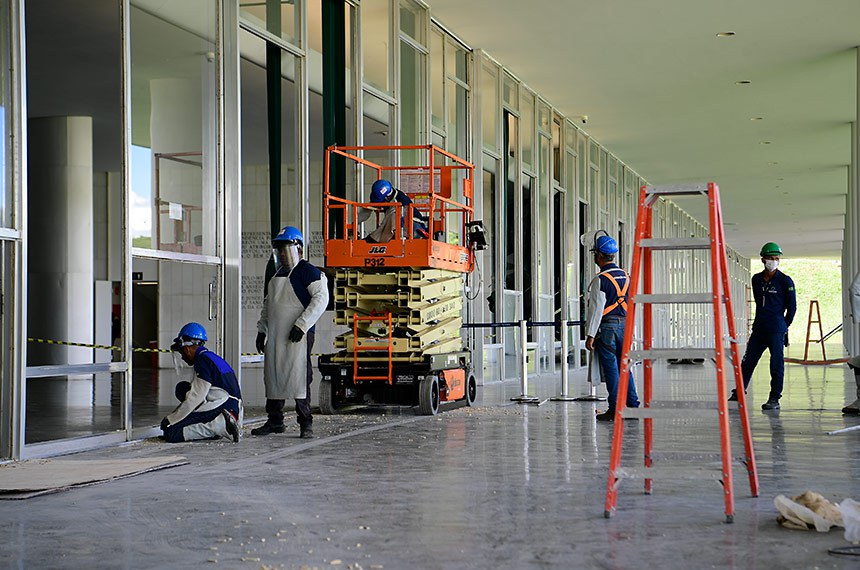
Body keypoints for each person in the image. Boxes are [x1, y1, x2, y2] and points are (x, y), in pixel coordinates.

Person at [254, 226, 329, 438]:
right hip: (276, 334)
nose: (282, 255)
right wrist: (262, 330)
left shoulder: (309, 272)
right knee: (273, 374)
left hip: (299, 335)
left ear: (299, 249)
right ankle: (275, 421)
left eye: (286, 250)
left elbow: (321, 299)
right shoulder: (276, 275)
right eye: (279, 251)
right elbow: (268, 306)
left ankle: (306, 423)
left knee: (299, 377)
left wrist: (302, 325)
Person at [730, 242, 797, 410]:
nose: (773, 261)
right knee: (748, 362)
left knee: (776, 364)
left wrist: (784, 325)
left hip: (776, 329)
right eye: (770, 258)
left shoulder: (785, 281)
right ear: (763, 259)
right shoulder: (757, 279)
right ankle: (738, 392)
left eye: (776, 258)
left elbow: (792, 307)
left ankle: (774, 398)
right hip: (759, 328)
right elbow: (760, 302)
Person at [583, 230, 640, 422]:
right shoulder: (627, 276)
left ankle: (615, 408)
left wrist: (590, 335)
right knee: (625, 366)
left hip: (607, 329)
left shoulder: (600, 280)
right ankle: (632, 406)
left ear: (599, 255)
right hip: (625, 326)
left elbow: (596, 310)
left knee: (612, 370)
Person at [160, 322, 242, 443]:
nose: (182, 357)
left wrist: (171, 419)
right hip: (232, 406)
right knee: (183, 389)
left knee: (171, 432)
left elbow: (196, 397)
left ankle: (220, 427)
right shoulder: (210, 356)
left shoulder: (202, 361)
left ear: (187, 348)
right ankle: (217, 425)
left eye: (182, 352)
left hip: (223, 407)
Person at [359, 179, 429, 242]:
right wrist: (354, 223)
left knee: (394, 215)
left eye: (381, 202)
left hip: (414, 226)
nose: (379, 205)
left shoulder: (400, 202)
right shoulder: (386, 196)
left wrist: (372, 239)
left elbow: (386, 225)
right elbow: (368, 209)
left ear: (387, 197)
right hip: (404, 226)